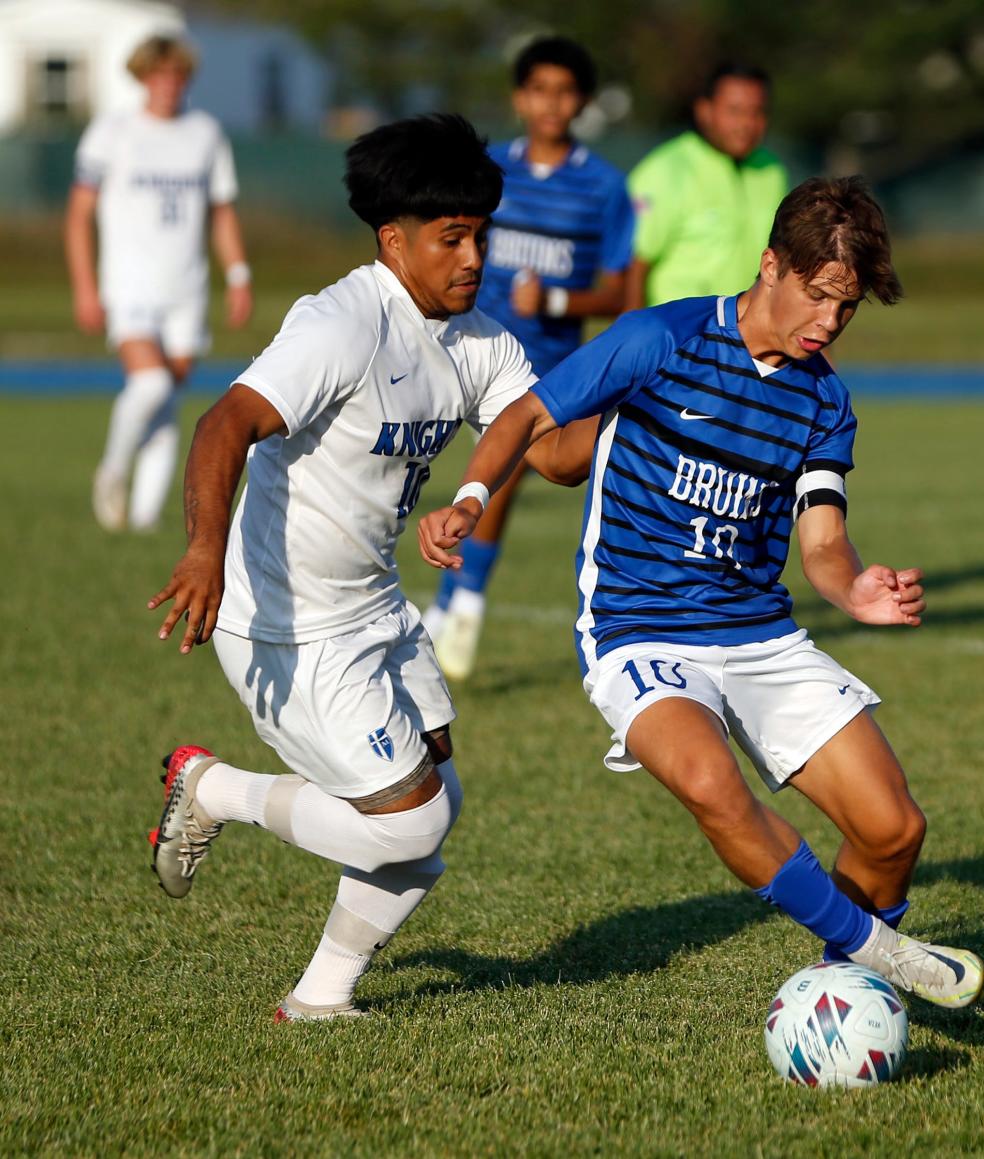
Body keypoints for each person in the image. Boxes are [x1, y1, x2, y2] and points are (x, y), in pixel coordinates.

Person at [419, 177, 984, 1009]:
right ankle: (882, 950)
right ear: (771, 266)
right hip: (638, 629)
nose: (829, 323)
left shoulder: (825, 399)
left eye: (849, 309)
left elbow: (823, 541)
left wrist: (855, 589)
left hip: (759, 634)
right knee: (712, 784)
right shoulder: (662, 337)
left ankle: (847, 988)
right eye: (820, 297)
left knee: (894, 828)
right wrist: (469, 500)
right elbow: (527, 417)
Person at [146, 114, 591, 1021]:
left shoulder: (478, 339)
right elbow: (223, 423)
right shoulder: (342, 323)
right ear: (394, 242)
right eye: (451, 239)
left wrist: (638, 394)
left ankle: (319, 997)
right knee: (411, 819)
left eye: (480, 235)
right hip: (285, 621)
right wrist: (203, 548)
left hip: (372, 608)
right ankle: (213, 787)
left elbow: (554, 456)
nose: (473, 257)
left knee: (436, 804)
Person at [425, 35, 634, 680]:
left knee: (506, 470)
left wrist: (558, 298)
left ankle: (458, 608)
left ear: (584, 103)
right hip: (464, 345)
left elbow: (619, 289)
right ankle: (437, 607)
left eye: (565, 92)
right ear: (520, 97)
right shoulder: (489, 172)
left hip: (541, 366)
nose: (551, 104)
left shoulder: (603, 187)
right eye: (539, 89)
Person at [65, 33, 252, 533]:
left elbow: (222, 212)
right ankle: (111, 472)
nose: (169, 84)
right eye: (159, 74)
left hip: (186, 289)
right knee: (149, 384)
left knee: (168, 402)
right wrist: (84, 286)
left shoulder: (206, 133)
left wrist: (238, 275)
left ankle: (142, 522)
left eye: (178, 75)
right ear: (143, 77)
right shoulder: (112, 132)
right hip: (128, 284)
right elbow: (79, 215)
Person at [625, 62, 786, 310]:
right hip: (679, 337)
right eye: (734, 111)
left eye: (757, 112)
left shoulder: (771, 171)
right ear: (705, 110)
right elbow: (632, 267)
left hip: (747, 338)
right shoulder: (665, 170)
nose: (746, 123)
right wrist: (635, 340)